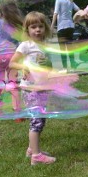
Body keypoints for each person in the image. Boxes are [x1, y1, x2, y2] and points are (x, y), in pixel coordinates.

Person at [9, 11, 57, 165]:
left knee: (40, 119)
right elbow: (12, 63)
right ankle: (36, 156)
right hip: (31, 89)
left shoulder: (44, 46)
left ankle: (32, 149)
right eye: (33, 27)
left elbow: (46, 66)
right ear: (27, 30)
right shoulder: (26, 45)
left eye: (40, 26)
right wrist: (23, 66)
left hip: (41, 87)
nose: (37, 30)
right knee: (36, 121)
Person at [50, 0, 80, 72]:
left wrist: (52, 26)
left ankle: (65, 68)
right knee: (70, 48)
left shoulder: (58, 0)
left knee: (62, 48)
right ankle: (74, 67)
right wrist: (75, 20)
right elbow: (78, 10)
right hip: (70, 26)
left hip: (62, 26)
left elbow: (55, 13)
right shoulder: (70, 1)